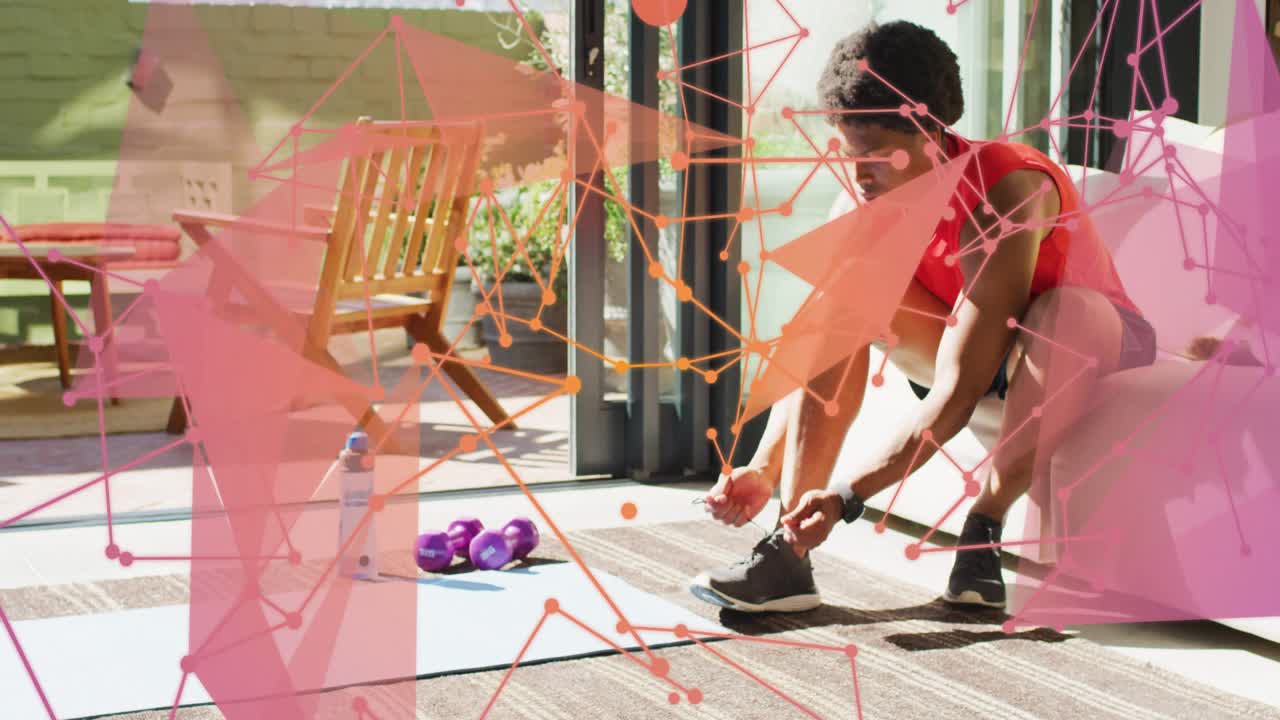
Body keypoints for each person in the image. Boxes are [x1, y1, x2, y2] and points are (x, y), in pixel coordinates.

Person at [689, 20, 1157, 612]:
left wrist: (848, 497)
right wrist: (762, 464)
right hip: (978, 347)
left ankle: (984, 528)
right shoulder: (863, 200)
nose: (859, 175)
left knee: (1061, 310)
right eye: (846, 152)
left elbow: (959, 392)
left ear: (934, 133)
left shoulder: (1010, 190)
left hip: (1084, 340)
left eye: (878, 155)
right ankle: (787, 555)